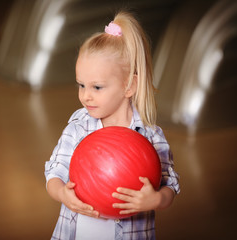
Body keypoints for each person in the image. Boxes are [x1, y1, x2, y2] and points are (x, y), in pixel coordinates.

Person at [44, 11, 180, 240]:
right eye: (81, 85)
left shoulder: (151, 138)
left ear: (129, 86)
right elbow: (53, 174)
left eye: (97, 87)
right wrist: (62, 194)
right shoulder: (78, 129)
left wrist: (156, 199)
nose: (86, 96)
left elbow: (171, 186)